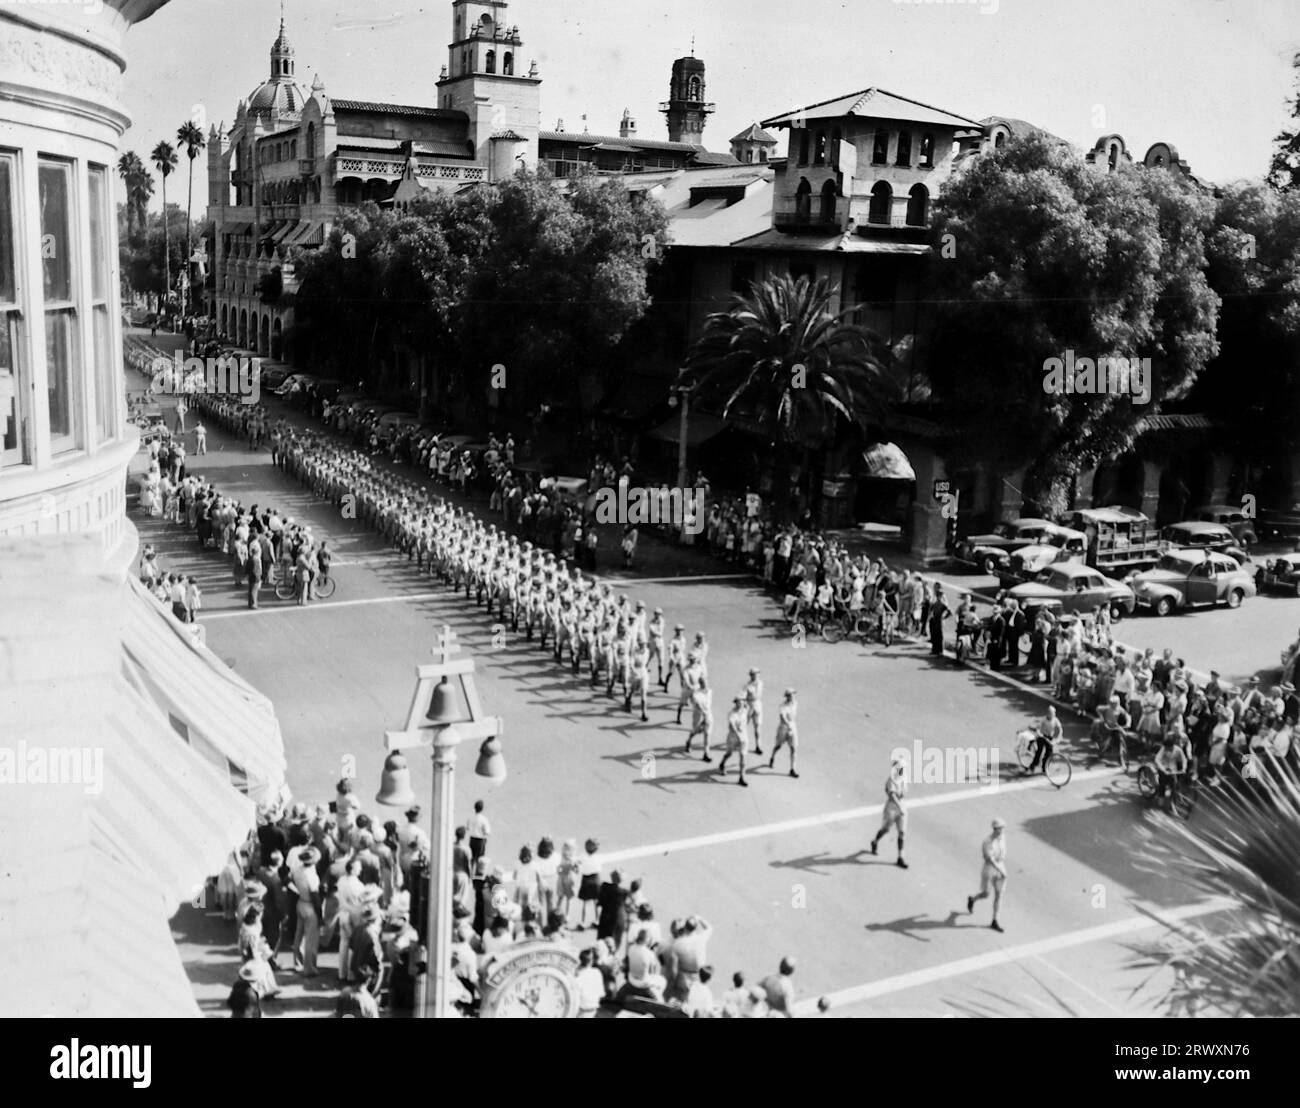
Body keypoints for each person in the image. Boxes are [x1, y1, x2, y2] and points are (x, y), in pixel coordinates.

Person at [966, 818, 1008, 932]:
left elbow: (1002, 854)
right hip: (990, 869)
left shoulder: (1002, 837)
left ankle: (995, 920)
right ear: (996, 829)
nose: (1003, 830)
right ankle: (973, 899)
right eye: (1001, 828)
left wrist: (1002, 868)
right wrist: (1002, 871)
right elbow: (990, 860)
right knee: (986, 894)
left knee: (999, 895)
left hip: (1000, 866)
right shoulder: (987, 842)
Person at [869, 757, 909, 868]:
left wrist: (902, 805)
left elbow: (903, 793)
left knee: (902, 832)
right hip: (892, 808)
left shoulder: (904, 778)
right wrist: (900, 806)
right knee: (885, 829)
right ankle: (875, 841)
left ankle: (900, 857)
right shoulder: (891, 780)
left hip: (901, 806)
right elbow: (892, 794)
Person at [715, 696, 750, 786]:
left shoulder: (745, 710)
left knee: (743, 756)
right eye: (738, 702)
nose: (741, 703)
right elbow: (733, 727)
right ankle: (722, 763)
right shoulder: (732, 714)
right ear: (736, 703)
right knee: (729, 753)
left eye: (742, 701)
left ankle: (742, 777)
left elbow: (748, 709)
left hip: (743, 736)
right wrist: (739, 736)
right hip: (733, 737)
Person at [768, 688, 799, 777]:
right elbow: (782, 717)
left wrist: (791, 727)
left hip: (792, 727)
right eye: (790, 695)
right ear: (787, 697)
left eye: (793, 694)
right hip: (783, 728)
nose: (792, 696)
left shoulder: (796, 703)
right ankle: (772, 757)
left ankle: (792, 769)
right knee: (778, 746)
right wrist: (788, 725)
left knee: (794, 748)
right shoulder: (782, 706)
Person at [1153, 735, 1188, 809]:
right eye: (1166, 748)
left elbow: (1184, 759)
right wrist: (1163, 769)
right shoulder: (1163, 749)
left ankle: (1172, 802)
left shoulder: (1178, 750)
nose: (1167, 749)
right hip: (1164, 768)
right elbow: (1157, 759)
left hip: (1173, 770)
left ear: (1172, 746)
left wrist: (1184, 768)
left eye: (1169, 748)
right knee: (1162, 784)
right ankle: (1161, 798)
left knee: (1174, 785)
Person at [1026, 705, 1063, 774]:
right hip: (1042, 736)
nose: (1053, 715)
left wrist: (1059, 736)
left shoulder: (1055, 720)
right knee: (1039, 752)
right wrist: (1039, 733)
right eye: (1051, 713)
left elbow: (1059, 728)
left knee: (1049, 753)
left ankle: (1045, 768)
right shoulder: (1043, 720)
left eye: (1053, 713)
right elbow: (1038, 728)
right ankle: (1033, 765)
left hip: (1049, 737)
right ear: (1048, 713)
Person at [685, 675, 713, 761]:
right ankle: (689, 741)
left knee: (707, 734)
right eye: (703, 683)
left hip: (708, 714)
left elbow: (708, 703)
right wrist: (704, 714)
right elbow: (698, 705)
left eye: (706, 682)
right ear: (700, 684)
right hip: (699, 715)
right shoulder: (696, 694)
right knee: (696, 731)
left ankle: (706, 753)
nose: (705, 684)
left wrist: (707, 714)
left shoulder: (709, 691)